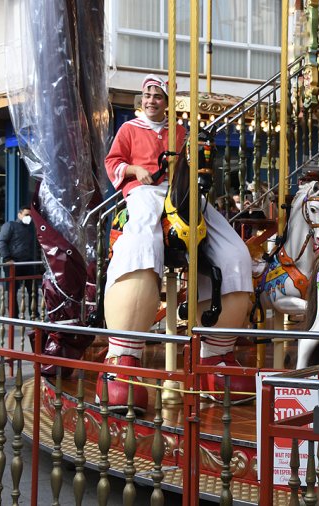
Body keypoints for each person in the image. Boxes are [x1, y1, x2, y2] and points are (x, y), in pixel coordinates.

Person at [103, 74, 253, 412]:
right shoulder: (129, 129)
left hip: (179, 193)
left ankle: (216, 354)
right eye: (148, 95)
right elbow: (112, 162)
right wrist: (132, 170)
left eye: (158, 96)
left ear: (167, 103)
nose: (153, 100)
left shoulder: (179, 132)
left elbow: (188, 165)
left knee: (235, 252)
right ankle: (123, 358)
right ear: (140, 100)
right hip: (143, 192)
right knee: (143, 242)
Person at [0, 206, 41, 316]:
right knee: (12, 291)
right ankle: (13, 315)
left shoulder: (31, 228)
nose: (28, 217)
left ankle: (34, 313)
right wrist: (7, 258)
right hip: (13, 263)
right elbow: (1, 242)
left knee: (33, 290)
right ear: (19, 215)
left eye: (30, 215)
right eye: (26, 215)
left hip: (28, 263)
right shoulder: (10, 225)